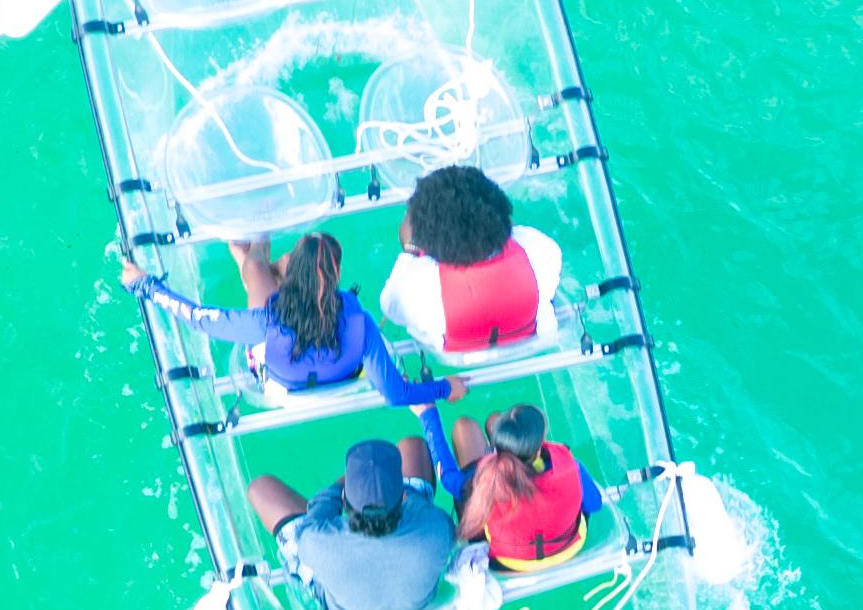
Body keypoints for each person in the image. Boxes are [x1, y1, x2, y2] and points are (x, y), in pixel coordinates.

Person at [123, 232, 452, 407]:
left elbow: (198, 318)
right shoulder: (361, 323)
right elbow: (396, 394)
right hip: (343, 379)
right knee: (254, 270)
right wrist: (444, 388)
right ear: (336, 273)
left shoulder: (266, 320)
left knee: (254, 270)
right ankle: (252, 254)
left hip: (279, 387)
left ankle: (255, 248)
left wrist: (144, 283)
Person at [250, 438, 457, 610]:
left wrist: (343, 484)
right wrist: (388, 485)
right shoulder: (440, 527)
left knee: (260, 488)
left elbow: (317, 514)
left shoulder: (316, 541)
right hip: (419, 605)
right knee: (413, 445)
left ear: (344, 501)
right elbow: (416, 501)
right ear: (402, 496)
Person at [378, 165, 565, 355]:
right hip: (531, 343)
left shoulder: (412, 289)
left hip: (455, 357)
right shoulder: (540, 247)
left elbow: (390, 308)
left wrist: (410, 251)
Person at [447, 401, 590, 570]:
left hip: (505, 562)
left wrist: (427, 414)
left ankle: (495, 447)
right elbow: (594, 504)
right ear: (538, 447)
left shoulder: (485, 481)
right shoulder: (570, 465)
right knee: (494, 419)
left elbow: (448, 478)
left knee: (464, 426)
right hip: (567, 549)